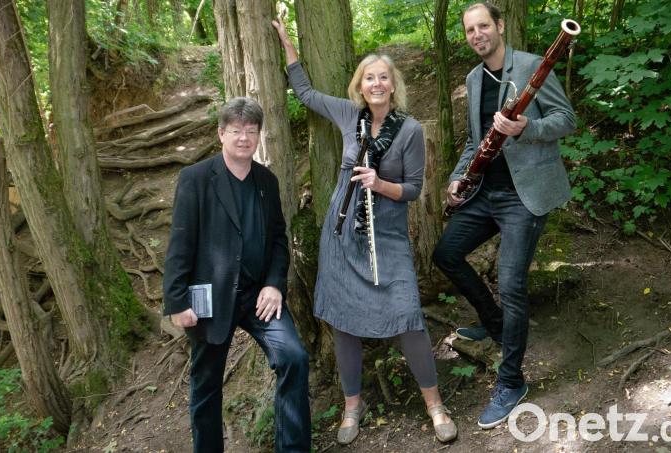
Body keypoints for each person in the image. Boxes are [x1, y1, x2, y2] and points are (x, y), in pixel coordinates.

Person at [272, 19, 457, 445]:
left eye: (383, 77)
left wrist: (379, 183)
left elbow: (413, 189)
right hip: (342, 236)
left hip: (386, 236)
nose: (376, 84)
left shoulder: (409, 130)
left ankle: (435, 405)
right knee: (344, 323)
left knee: (409, 317)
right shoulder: (348, 114)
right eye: (369, 77)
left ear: (393, 85)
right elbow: (305, 93)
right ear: (360, 85)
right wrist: (286, 42)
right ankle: (352, 406)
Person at [432, 2, 576, 429]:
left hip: (523, 196)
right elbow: (473, 141)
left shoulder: (531, 66)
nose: (477, 35)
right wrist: (456, 179)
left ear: (499, 26)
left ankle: (512, 381)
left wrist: (526, 128)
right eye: (469, 30)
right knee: (446, 254)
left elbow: (566, 120)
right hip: (485, 193)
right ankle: (494, 324)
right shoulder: (473, 79)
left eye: (483, 26)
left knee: (512, 286)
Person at [163, 97, 311, 453]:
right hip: (210, 298)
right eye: (236, 131)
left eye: (251, 131)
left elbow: (278, 240)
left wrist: (274, 284)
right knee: (206, 385)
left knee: (294, 357)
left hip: (258, 297)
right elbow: (180, 243)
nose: (244, 138)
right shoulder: (196, 179)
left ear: (258, 135)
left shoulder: (267, 181)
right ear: (221, 134)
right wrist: (177, 301)